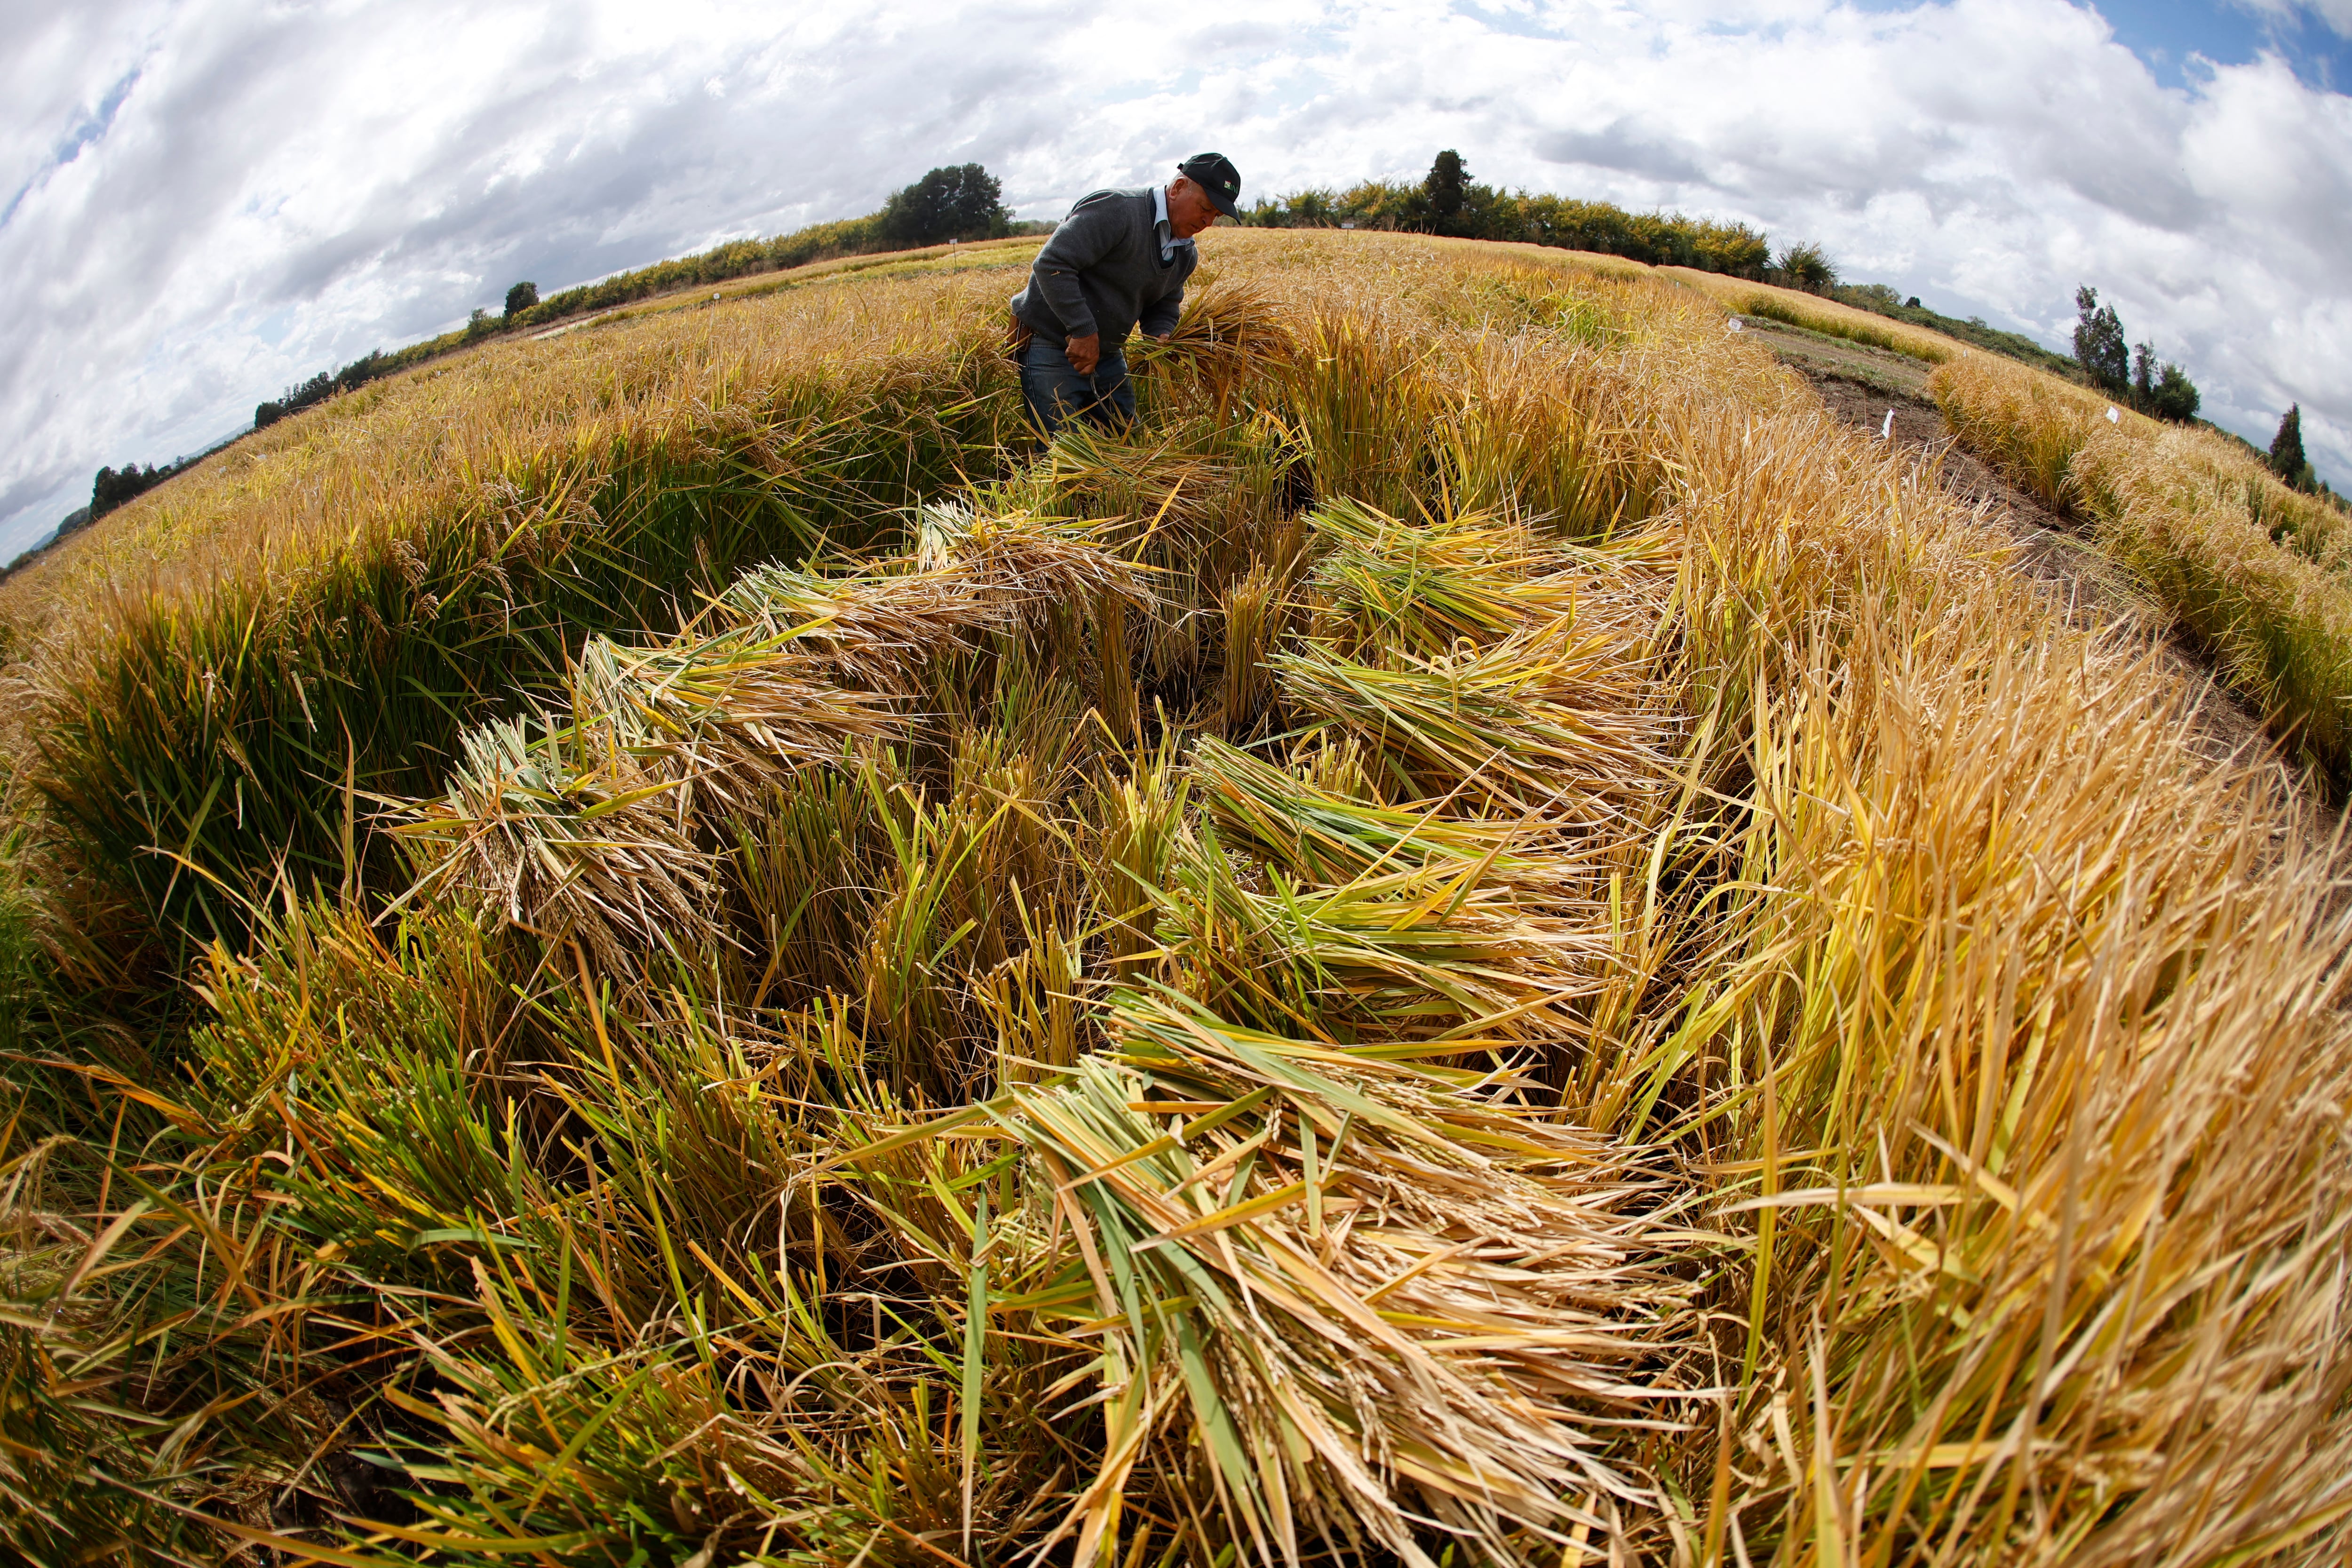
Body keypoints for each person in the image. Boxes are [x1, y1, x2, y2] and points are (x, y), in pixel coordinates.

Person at [1008, 152, 1242, 437]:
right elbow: (1053, 264)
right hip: (1051, 343)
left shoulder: (1185, 253)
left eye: (1215, 215)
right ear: (1179, 188)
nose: (1208, 221)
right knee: (1062, 452)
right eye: (1204, 208)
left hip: (1106, 352)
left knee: (1125, 440)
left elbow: (1164, 305)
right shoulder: (1118, 209)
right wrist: (1083, 330)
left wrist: (1162, 335)